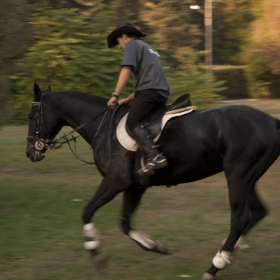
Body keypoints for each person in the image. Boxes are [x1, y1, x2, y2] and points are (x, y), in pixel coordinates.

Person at [107, 22, 170, 175]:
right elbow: (148, 80)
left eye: (118, 43)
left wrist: (115, 95)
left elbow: (126, 70)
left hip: (150, 92)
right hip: (160, 92)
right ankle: (144, 158)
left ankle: (154, 156)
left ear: (123, 37)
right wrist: (128, 99)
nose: (120, 47)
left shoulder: (132, 45)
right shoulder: (149, 48)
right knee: (144, 122)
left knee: (132, 121)